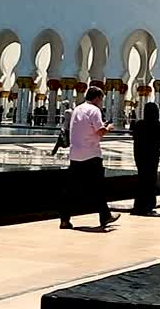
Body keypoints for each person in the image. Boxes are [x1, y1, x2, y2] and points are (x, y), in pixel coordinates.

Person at [58, 87, 118, 230]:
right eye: (101, 99)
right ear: (97, 98)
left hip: (75, 154)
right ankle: (105, 216)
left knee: (71, 188)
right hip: (91, 154)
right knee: (98, 187)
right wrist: (108, 128)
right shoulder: (94, 110)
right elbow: (100, 131)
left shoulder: (77, 109)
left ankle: (64, 219)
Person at [130, 101, 160, 216]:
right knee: (150, 182)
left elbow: (134, 137)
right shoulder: (156, 124)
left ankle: (138, 206)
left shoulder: (139, 124)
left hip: (140, 157)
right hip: (152, 158)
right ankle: (148, 207)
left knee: (141, 181)